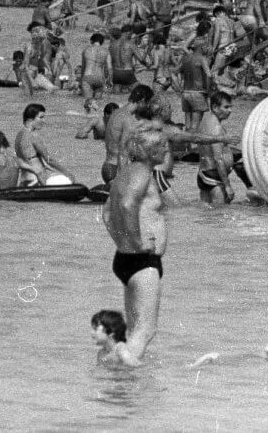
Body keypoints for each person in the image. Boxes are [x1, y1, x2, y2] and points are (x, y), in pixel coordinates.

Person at [102, 98, 172, 365]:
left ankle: (114, 372)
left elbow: (107, 213)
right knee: (146, 330)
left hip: (126, 259)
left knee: (133, 330)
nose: (166, 151)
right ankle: (128, 378)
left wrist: (123, 243)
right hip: (142, 261)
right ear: (151, 150)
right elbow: (127, 204)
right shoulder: (143, 172)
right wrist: (136, 241)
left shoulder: (125, 173)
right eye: (163, 146)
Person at [14, 104, 70, 186]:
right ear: (30, 119)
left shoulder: (19, 135)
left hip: (25, 182)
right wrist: (67, 173)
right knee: (67, 180)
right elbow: (49, 160)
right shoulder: (33, 135)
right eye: (41, 117)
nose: (44, 121)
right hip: (37, 181)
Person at [195, 91, 236, 205]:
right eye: (226, 107)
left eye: (230, 107)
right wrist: (228, 186)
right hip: (213, 176)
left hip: (203, 173)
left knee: (207, 214)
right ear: (215, 107)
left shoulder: (205, 121)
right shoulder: (216, 127)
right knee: (220, 216)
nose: (230, 111)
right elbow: (218, 159)